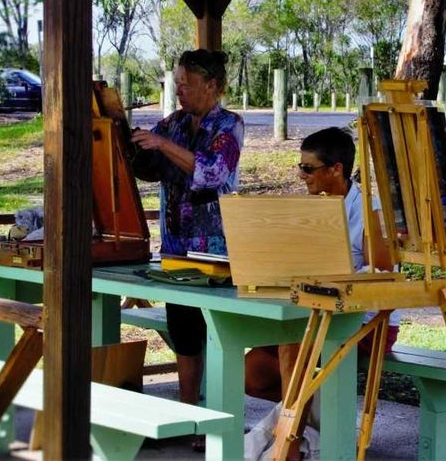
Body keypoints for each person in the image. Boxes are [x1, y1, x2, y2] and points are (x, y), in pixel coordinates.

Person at [243, 127, 395, 459]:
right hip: (312, 311)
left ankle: (290, 442)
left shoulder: (369, 210)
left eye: (308, 168)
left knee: (293, 344)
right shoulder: (312, 206)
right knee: (251, 371)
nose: (301, 175)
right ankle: (314, 424)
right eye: (300, 167)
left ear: (336, 169)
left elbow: (384, 278)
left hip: (363, 320)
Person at [131, 49, 244, 451]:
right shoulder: (175, 123)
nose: (179, 90)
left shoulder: (229, 125)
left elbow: (213, 173)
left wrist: (160, 145)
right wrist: (129, 144)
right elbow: (151, 166)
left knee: (216, 333)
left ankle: (211, 419)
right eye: (177, 82)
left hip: (215, 249)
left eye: (186, 83)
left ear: (212, 86)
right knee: (184, 333)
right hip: (176, 245)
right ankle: (186, 415)